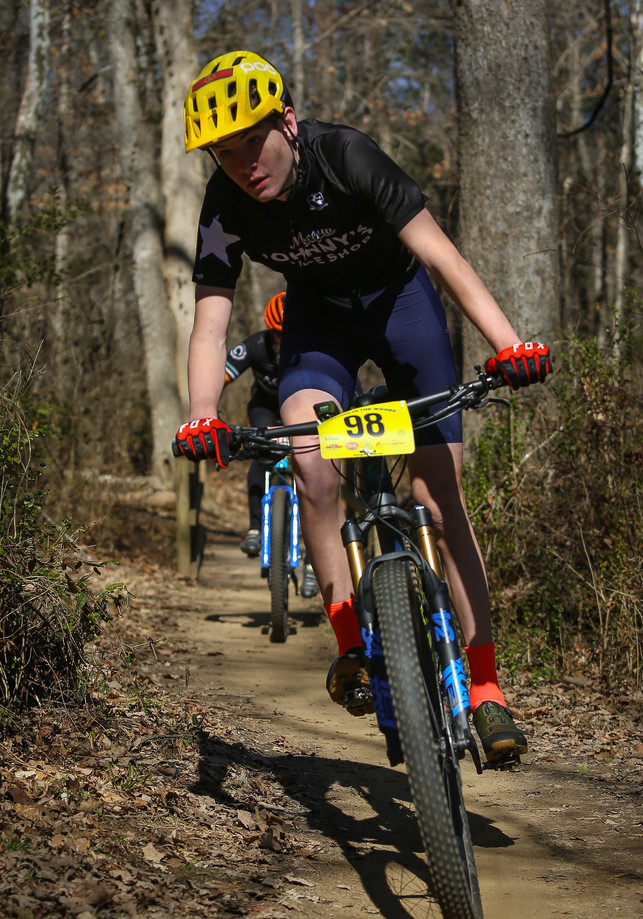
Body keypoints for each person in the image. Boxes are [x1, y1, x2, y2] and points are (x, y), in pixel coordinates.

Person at [174, 50, 552, 763]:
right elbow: (210, 321)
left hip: (402, 305)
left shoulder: (345, 155)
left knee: (438, 496)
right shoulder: (224, 204)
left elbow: (442, 257)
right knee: (309, 462)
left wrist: (509, 346)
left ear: (288, 123)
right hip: (319, 324)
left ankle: (485, 688)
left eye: (253, 142)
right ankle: (351, 648)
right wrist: (201, 411)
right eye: (225, 154)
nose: (243, 165)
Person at [223, 290, 319, 599]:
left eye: (285, 333)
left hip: (302, 408)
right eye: (276, 334)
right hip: (265, 408)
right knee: (260, 457)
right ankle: (255, 527)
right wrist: (209, 412)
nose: (281, 340)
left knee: (317, 470)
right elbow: (221, 374)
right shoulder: (255, 345)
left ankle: (313, 561)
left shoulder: (311, 345)